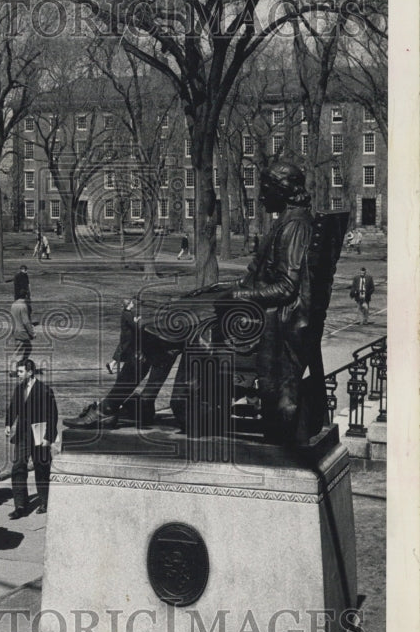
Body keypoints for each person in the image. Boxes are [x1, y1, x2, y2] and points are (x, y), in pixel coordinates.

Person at [64, 161, 318, 445]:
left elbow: (286, 287)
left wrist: (237, 296)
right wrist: (216, 290)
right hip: (246, 311)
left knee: (148, 328)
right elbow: (255, 280)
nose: (260, 196)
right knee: (155, 316)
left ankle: (111, 407)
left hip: (254, 321)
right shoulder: (288, 220)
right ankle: (126, 401)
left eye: (266, 189)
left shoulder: (294, 226)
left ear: (283, 191)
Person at [5, 358, 59, 517]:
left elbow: (52, 416)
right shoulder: (19, 388)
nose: (18, 374)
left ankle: (45, 501)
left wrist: (48, 437)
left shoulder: (45, 390)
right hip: (22, 435)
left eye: (21, 371)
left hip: (39, 433)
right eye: (18, 371)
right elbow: (13, 407)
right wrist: (8, 424)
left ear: (30, 372)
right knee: (18, 467)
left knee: (41, 467)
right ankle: (20, 505)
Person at [10, 290, 35, 362]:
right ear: (26, 296)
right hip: (22, 331)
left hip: (15, 330)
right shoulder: (23, 306)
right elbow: (26, 321)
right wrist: (32, 333)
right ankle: (14, 368)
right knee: (19, 350)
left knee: (28, 347)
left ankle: (22, 363)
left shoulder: (14, 304)